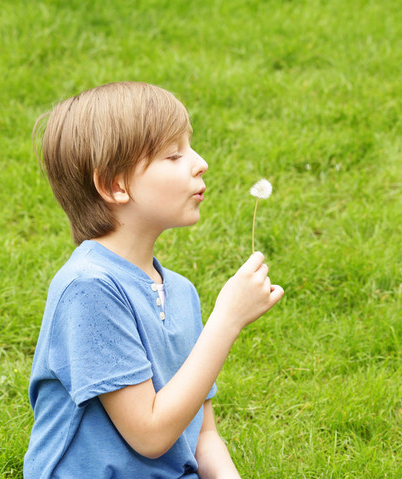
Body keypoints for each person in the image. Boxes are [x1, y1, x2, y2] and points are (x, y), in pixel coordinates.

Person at [23, 81, 284, 478]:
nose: (200, 163)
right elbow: (149, 434)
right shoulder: (89, 287)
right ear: (114, 185)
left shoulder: (181, 292)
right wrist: (227, 320)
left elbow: (201, 435)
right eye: (174, 155)